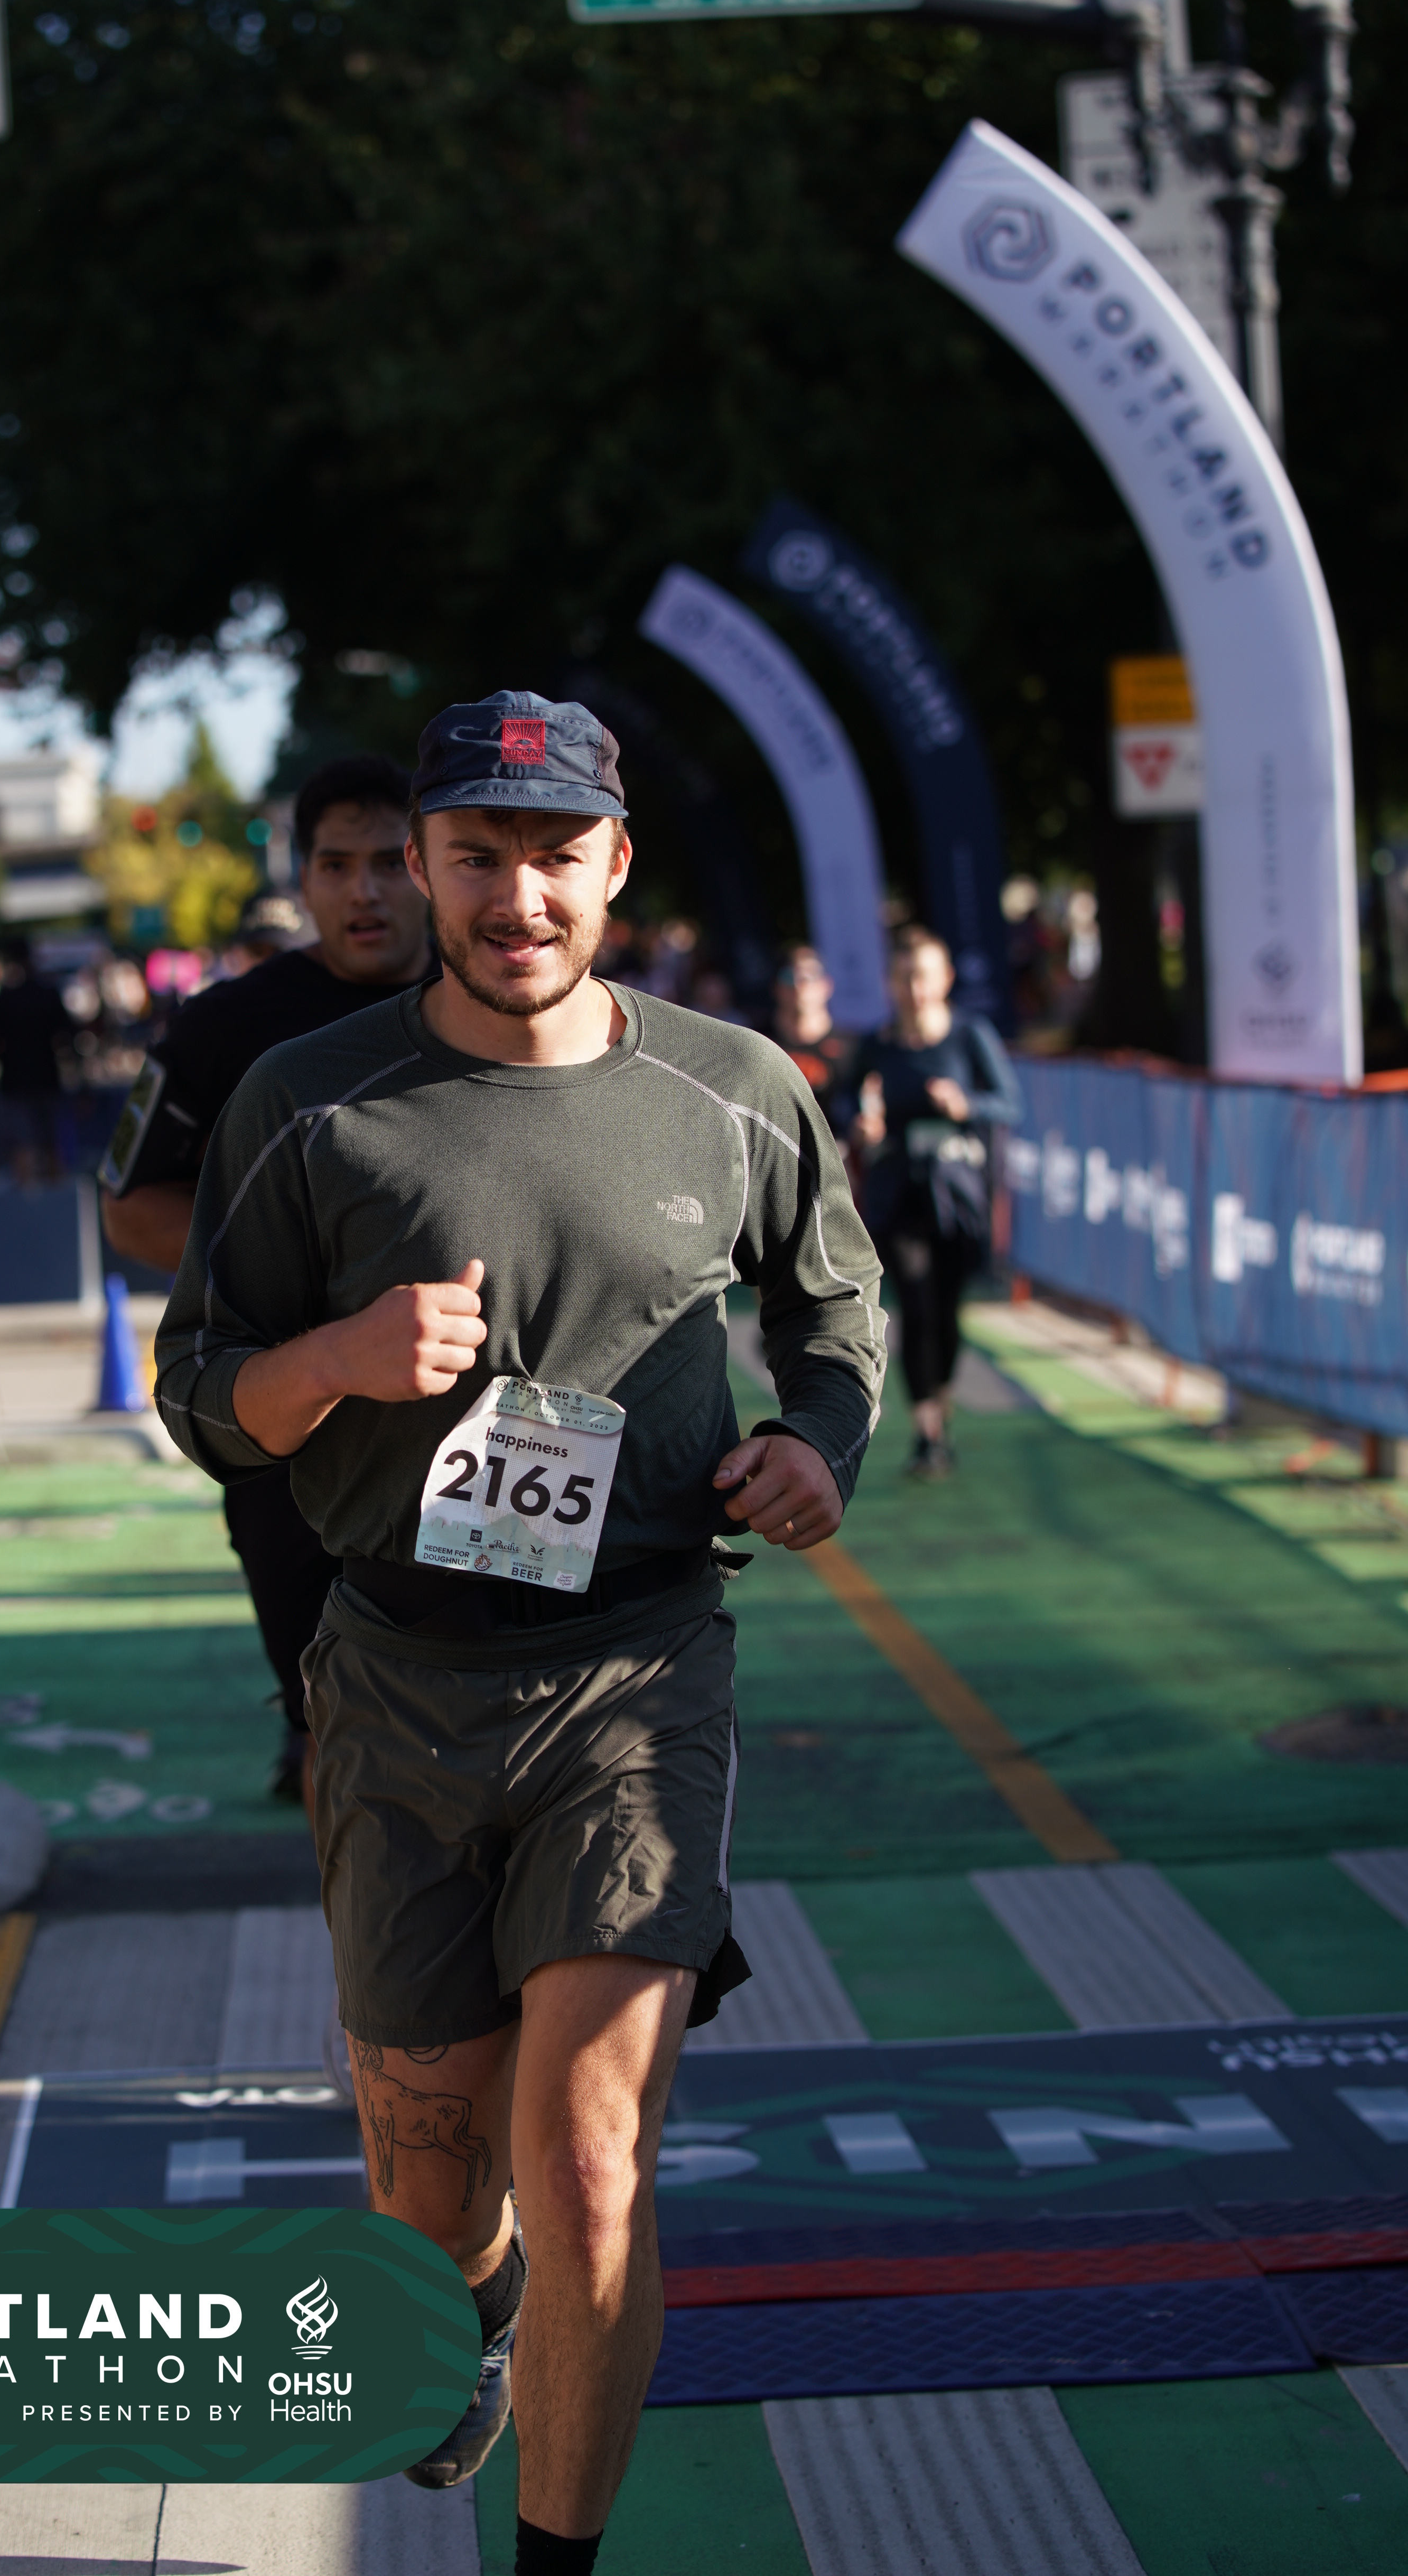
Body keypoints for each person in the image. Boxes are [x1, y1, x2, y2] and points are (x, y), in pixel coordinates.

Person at [155, 691, 884, 2573]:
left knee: (587, 2159)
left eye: (555, 853)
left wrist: (816, 1444)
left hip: (638, 1673)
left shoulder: (732, 1084)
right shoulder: (306, 1098)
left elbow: (836, 1311)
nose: (516, 895)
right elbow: (203, 1392)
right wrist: (336, 1354)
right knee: (428, 2191)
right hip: (391, 1676)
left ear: (615, 863)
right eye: (474, 854)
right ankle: (465, 2300)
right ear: (419, 863)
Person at [100, 754, 434, 1805]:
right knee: (331, 1712)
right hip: (293, 1424)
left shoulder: (503, 996)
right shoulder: (225, 1026)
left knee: (494, 1704)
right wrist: (309, 1297)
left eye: (387, 862)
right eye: (334, 865)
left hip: (479, 1423)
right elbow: (129, 1206)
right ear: (302, 879)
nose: (363, 891)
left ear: (429, 864)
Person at [851, 925, 1021, 1480]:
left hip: (957, 1196)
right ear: (891, 982)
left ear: (945, 979)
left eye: (923, 976)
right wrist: (862, 1125)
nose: (914, 989)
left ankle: (940, 1410)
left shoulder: (969, 1036)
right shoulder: (877, 1045)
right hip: (897, 1195)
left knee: (946, 1312)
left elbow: (1009, 1102)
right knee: (916, 1304)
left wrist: (964, 1104)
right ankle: (927, 1432)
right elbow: (844, 1104)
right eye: (904, 978)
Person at [0, 944, 72, 1177]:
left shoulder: (7, 998)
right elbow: (68, 1035)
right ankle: (54, 1185)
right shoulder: (48, 994)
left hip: (15, 1078)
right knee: (50, 1140)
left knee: (21, 1142)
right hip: (46, 1075)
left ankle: (28, 1188)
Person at [772, 945, 854, 1126]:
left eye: (809, 977)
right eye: (789, 977)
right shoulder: (759, 1042)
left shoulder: (852, 1048)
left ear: (826, 985)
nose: (799, 986)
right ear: (776, 987)